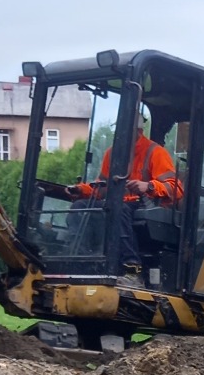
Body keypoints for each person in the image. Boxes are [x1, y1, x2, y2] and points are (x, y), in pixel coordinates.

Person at [67, 115, 182, 271]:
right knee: (80, 207)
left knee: (118, 208)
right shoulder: (112, 154)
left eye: (125, 129)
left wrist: (148, 187)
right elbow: (101, 187)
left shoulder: (155, 152)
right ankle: (81, 262)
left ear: (138, 130)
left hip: (145, 204)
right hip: (117, 202)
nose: (120, 134)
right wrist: (81, 190)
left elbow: (176, 188)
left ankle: (131, 265)